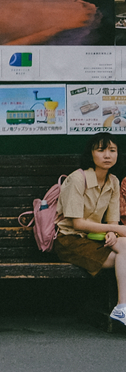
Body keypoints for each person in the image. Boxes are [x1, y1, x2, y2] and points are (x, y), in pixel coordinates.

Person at [51, 132, 126, 328]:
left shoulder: (113, 181)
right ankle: (122, 307)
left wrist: (112, 232)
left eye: (112, 150)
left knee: (124, 246)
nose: (107, 155)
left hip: (93, 239)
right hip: (69, 241)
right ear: (91, 154)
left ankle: (121, 308)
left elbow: (112, 220)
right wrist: (113, 228)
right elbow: (78, 224)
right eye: (101, 150)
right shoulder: (77, 179)